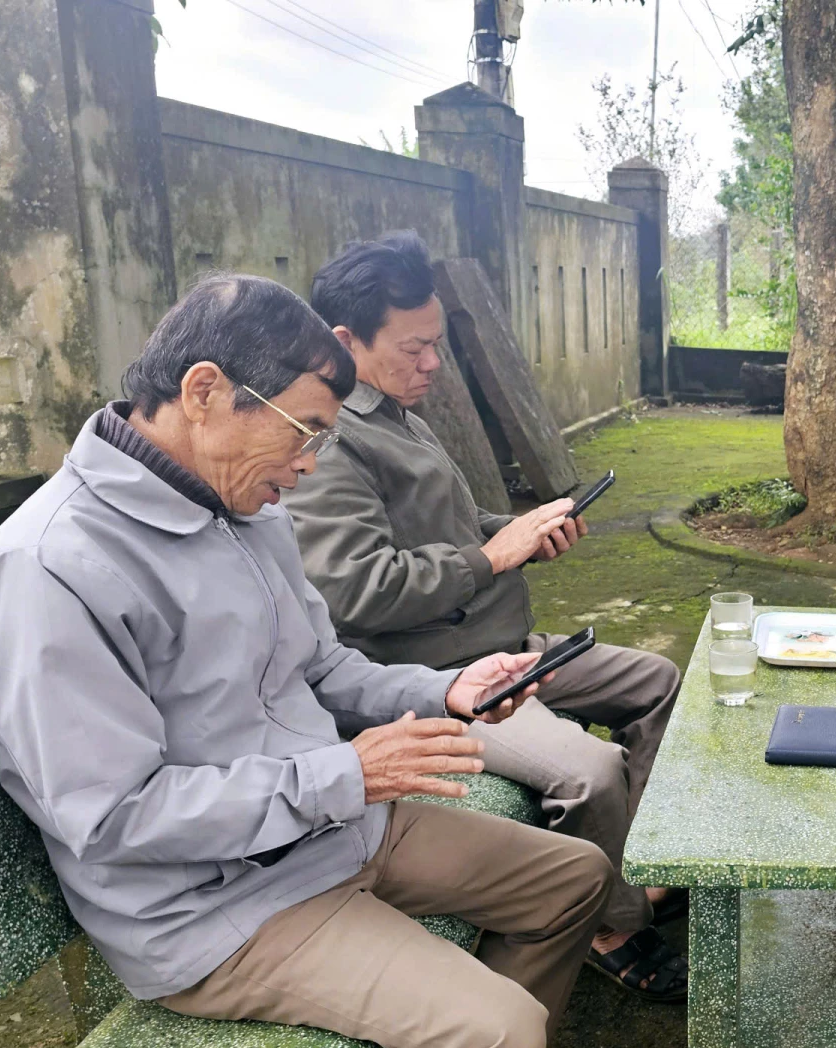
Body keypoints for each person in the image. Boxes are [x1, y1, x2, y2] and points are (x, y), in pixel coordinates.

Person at [0, 274, 611, 1048]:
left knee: (577, 878)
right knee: (502, 1034)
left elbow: (321, 665)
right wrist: (342, 775)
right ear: (204, 391)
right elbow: (116, 816)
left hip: (333, 830)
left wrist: (444, 691)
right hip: (212, 907)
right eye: (305, 432)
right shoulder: (46, 567)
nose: (307, 466)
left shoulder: (244, 511)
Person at [279, 232, 687, 1002]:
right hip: (439, 674)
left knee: (659, 682)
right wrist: (493, 557)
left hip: (500, 642)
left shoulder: (399, 413)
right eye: (415, 347)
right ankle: (613, 927)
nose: (434, 363)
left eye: (436, 345)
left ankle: (636, 873)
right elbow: (357, 590)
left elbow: (451, 528)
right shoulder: (331, 443)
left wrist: (523, 530)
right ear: (345, 340)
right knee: (591, 770)